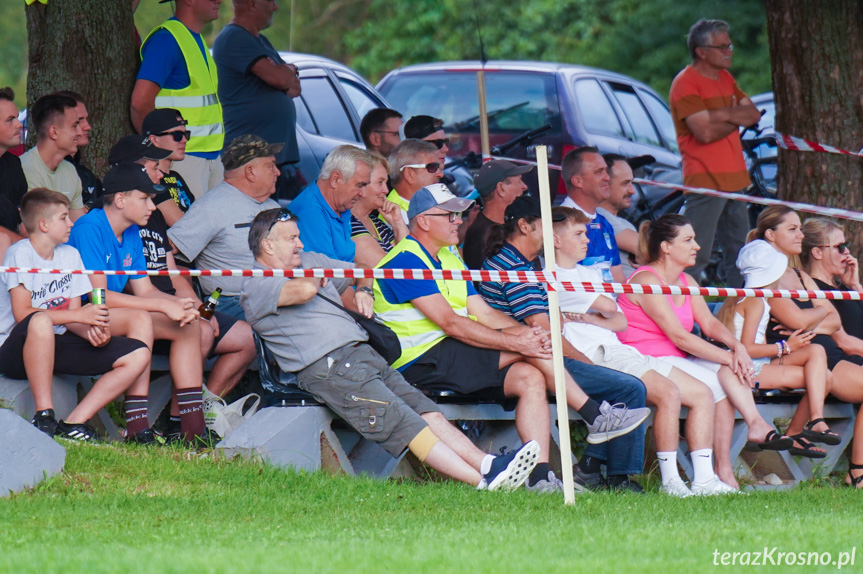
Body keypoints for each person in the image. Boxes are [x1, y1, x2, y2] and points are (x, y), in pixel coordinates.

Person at [241, 206, 541, 492]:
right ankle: (482, 483)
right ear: (267, 246)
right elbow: (304, 290)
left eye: (299, 236)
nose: (300, 244)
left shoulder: (309, 261)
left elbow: (366, 270)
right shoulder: (255, 284)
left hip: (362, 354)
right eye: (292, 238)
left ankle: (489, 465)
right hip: (329, 367)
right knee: (405, 424)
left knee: (426, 410)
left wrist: (362, 290)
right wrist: (317, 275)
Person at [374, 184, 650, 492]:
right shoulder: (405, 259)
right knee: (529, 351)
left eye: (459, 214)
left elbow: (488, 315)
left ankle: (540, 477)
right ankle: (594, 415)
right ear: (424, 221)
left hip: (447, 352)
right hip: (420, 359)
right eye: (450, 214)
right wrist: (521, 342)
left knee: (530, 376)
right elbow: (451, 323)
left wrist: (527, 334)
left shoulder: (449, 258)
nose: (459, 220)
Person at [478, 198, 657, 493]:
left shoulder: (524, 263)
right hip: (527, 360)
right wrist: (587, 362)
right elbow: (545, 330)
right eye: (548, 226)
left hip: (536, 356)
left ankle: (592, 469)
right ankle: (614, 478)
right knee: (629, 387)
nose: (554, 232)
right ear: (524, 227)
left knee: (627, 385)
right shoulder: (516, 267)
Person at [548, 205, 721, 495]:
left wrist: (588, 316)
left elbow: (618, 319)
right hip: (596, 353)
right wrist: (600, 311)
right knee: (665, 393)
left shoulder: (588, 272)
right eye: (579, 233)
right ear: (555, 240)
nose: (587, 240)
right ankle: (669, 481)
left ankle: (702, 480)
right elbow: (607, 307)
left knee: (700, 392)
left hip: (617, 348)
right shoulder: (551, 275)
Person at [617, 214, 792, 490]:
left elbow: (709, 323)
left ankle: (714, 473)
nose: (697, 245)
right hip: (644, 359)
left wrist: (736, 347)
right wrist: (730, 355)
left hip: (674, 356)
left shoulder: (686, 280)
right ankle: (694, 478)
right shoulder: (648, 280)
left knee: (726, 375)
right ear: (666, 247)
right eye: (688, 240)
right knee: (714, 383)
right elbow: (679, 336)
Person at [68, 163, 208, 444]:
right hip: (83, 315)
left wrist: (179, 304)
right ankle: (137, 426)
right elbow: (97, 295)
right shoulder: (89, 227)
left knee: (190, 326)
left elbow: (144, 290)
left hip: (113, 311)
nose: (152, 207)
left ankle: (194, 431)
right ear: (120, 200)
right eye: (144, 198)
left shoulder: (132, 229)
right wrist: (161, 306)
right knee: (141, 318)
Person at [116, 125, 257, 400]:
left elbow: (175, 274)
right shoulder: (114, 221)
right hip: (143, 312)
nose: (160, 174)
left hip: (172, 304)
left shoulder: (152, 214)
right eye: (153, 167)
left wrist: (201, 308)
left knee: (247, 338)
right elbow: (129, 287)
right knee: (200, 330)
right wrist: (183, 310)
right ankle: (180, 420)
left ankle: (205, 410)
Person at [0, 189, 152, 442]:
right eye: (63, 218)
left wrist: (92, 329)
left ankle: (73, 423)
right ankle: (44, 415)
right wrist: (82, 317)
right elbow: (22, 313)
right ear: (44, 224)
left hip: (57, 341)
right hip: (15, 346)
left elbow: (72, 315)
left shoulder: (70, 255)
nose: (71, 223)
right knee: (39, 321)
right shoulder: (20, 254)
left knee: (139, 353)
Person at [754, 207, 863, 487]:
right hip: (805, 360)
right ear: (770, 235)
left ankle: (857, 471)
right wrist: (816, 318)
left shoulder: (800, 277)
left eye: (800, 228)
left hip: (825, 357)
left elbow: (833, 321)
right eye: (792, 229)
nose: (800, 234)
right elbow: (809, 321)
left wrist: (810, 322)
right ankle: (858, 473)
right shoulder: (770, 277)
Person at [715, 239, 836, 459]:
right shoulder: (757, 302)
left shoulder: (746, 297)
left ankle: (814, 421)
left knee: (816, 351)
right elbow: (747, 349)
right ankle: (801, 430)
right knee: (824, 378)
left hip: (757, 363)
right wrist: (785, 346)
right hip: (750, 369)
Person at [669, 19, 762, 286]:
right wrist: (736, 115)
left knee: (741, 257)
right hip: (705, 180)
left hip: (735, 180)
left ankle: (737, 315)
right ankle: (679, 315)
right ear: (701, 51)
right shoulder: (685, 83)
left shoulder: (725, 78)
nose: (729, 50)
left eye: (728, 45)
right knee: (694, 255)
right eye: (722, 46)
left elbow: (753, 114)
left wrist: (718, 114)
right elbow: (704, 133)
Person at [168, 134, 282, 320]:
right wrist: (194, 305)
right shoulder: (211, 207)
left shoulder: (273, 207)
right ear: (250, 172)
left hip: (278, 292)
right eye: (271, 166)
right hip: (235, 302)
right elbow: (167, 250)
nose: (278, 172)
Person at [132, 0, 225, 200]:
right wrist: (159, 154)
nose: (219, 0)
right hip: (182, 161)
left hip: (208, 159)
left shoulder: (193, 39)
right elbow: (140, 104)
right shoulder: (166, 41)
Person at [212, 0, 301, 199]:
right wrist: (283, 73)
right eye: (271, 1)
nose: (275, 7)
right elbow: (279, 78)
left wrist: (287, 72)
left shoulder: (262, 42)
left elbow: (295, 87)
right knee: (253, 223)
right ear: (252, 4)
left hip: (267, 161)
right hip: (248, 160)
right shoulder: (234, 37)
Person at [801, 217, 863, 487]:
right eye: (840, 246)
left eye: (847, 246)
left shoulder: (844, 291)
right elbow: (846, 342)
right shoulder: (814, 290)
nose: (847, 252)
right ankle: (858, 473)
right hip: (837, 364)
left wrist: (855, 287)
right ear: (817, 252)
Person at [289, 145, 371, 263]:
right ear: (335, 179)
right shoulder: (310, 212)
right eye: (359, 185)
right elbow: (328, 273)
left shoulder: (341, 205)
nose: (363, 194)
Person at [560, 147, 625, 284]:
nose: (607, 178)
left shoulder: (604, 223)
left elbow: (619, 280)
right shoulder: (559, 222)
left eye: (606, 171)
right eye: (599, 172)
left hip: (611, 302)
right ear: (578, 181)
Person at [20, 93, 86, 221]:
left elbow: (79, 226)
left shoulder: (70, 171)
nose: (79, 132)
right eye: (74, 126)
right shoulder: (25, 169)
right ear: (54, 132)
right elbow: (37, 229)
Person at [462, 159, 531, 270]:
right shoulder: (481, 235)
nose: (524, 187)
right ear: (501, 188)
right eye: (519, 181)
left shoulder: (492, 227)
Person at [349, 152, 407, 268]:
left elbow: (412, 255)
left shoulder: (375, 222)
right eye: (380, 182)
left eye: (386, 183)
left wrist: (398, 223)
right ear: (361, 184)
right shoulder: (350, 224)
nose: (386, 190)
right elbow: (390, 271)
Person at [142, 108, 196, 226]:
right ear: (154, 139)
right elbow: (182, 227)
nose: (184, 140)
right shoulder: (150, 178)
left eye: (186, 134)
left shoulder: (176, 176)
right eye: (177, 135)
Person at [53, 90, 104, 208]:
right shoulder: (44, 169)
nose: (88, 127)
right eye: (79, 121)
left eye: (86, 119)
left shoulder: (86, 174)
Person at [597, 154, 640, 278]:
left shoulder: (625, 224)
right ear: (604, 184)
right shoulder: (598, 216)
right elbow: (648, 249)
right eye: (625, 183)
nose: (632, 191)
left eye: (632, 183)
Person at [386, 139, 443, 225]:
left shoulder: (427, 201)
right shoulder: (395, 214)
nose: (440, 174)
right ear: (409, 174)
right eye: (432, 167)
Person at [0, 87, 26, 252]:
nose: (19, 124)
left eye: (17, 117)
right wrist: (25, 246)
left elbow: (23, 214)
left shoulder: (14, 164)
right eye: (10, 119)